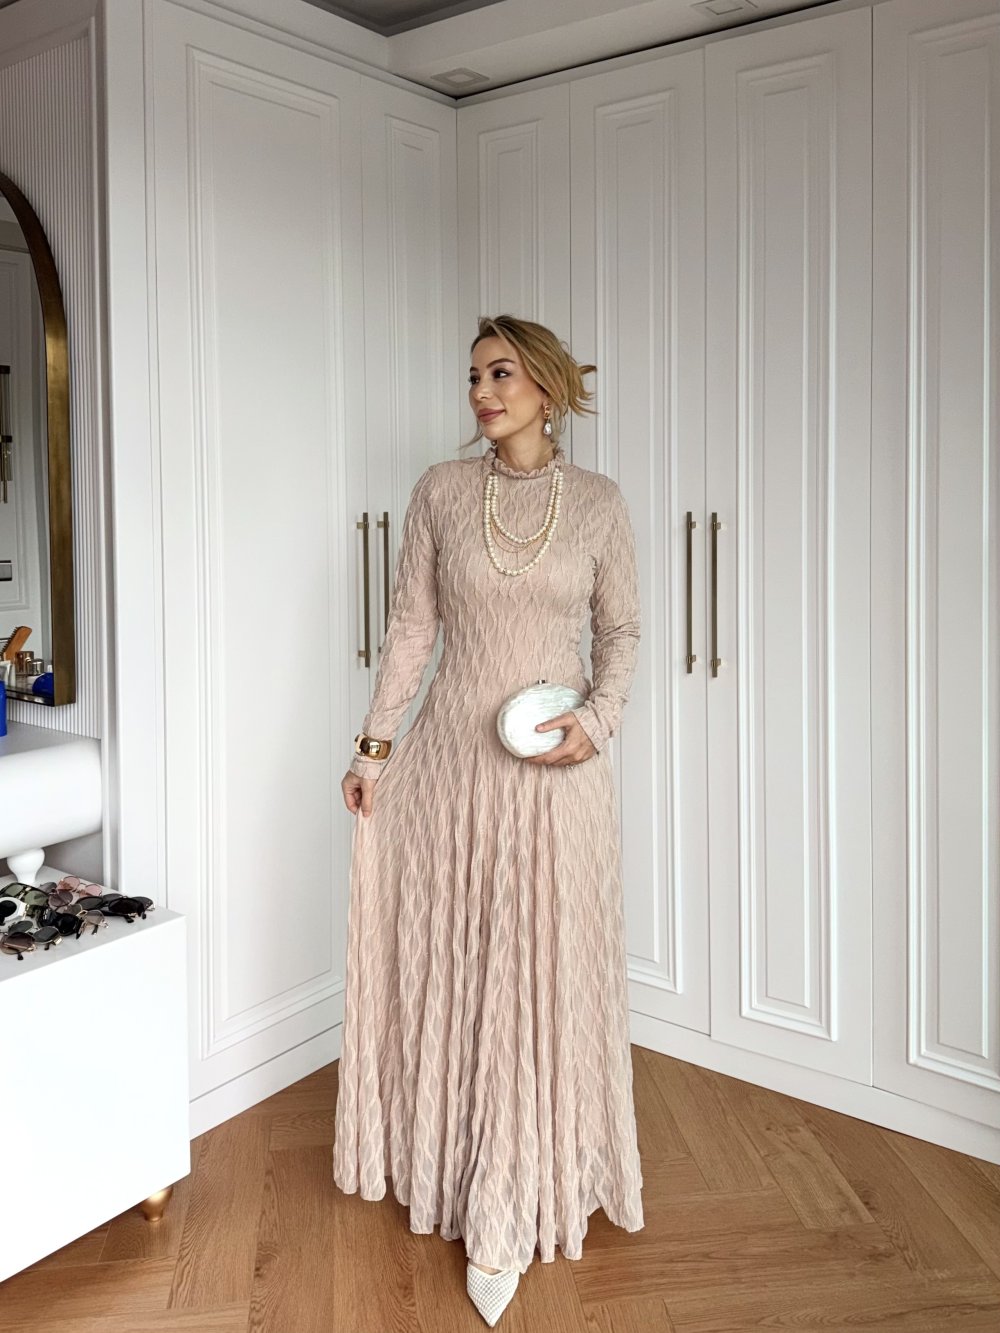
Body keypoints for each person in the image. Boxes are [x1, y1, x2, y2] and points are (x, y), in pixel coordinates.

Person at [333, 314, 644, 1327]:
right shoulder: (438, 491)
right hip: (453, 771)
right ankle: (464, 1169)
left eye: (500, 373)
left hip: (557, 778)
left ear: (545, 385)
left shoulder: (597, 503)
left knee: (539, 970)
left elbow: (619, 630)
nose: (481, 392)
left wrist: (596, 721)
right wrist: (374, 748)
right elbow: (411, 632)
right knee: (466, 965)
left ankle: (518, 1199)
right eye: (472, 376)